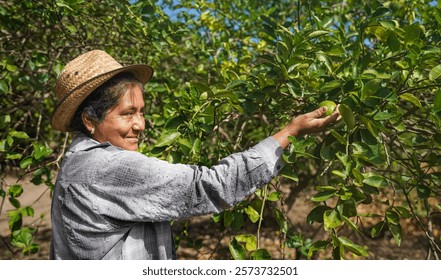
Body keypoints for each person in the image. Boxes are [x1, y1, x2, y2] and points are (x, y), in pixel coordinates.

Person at [50, 50, 339, 260]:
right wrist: (290, 132)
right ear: (90, 120)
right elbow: (208, 186)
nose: (140, 124)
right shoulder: (105, 167)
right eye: (127, 114)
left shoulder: (79, 161)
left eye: (141, 112)